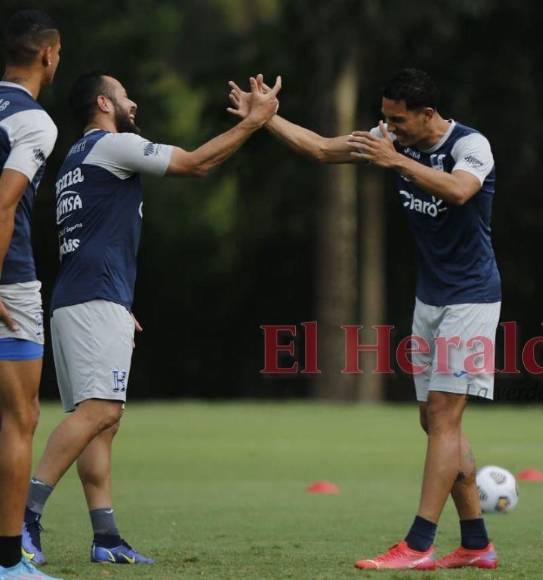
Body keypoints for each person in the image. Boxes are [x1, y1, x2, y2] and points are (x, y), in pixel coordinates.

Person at [229, 68, 500, 570]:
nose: (388, 127)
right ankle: (477, 543)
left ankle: (418, 546)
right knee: (435, 421)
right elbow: (320, 150)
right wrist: (267, 119)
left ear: (427, 114)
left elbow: (461, 191)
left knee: (443, 417)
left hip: (472, 298)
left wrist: (394, 159)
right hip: (431, 298)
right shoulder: (390, 139)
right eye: (385, 119)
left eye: (398, 120)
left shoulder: (470, 144)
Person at [21, 72, 280, 566]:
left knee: (98, 422)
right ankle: (24, 518)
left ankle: (106, 537)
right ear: (103, 102)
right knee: (101, 413)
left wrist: (119, 303)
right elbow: (196, 164)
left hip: (80, 299)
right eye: (124, 95)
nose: (133, 102)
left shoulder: (73, 159)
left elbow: (94, 235)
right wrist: (254, 123)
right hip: (94, 301)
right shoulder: (112, 146)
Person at [0, 10, 63, 580]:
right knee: (19, 418)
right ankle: (7, 564)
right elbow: (2, 202)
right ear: (49, 54)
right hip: (8, 281)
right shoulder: (34, 122)